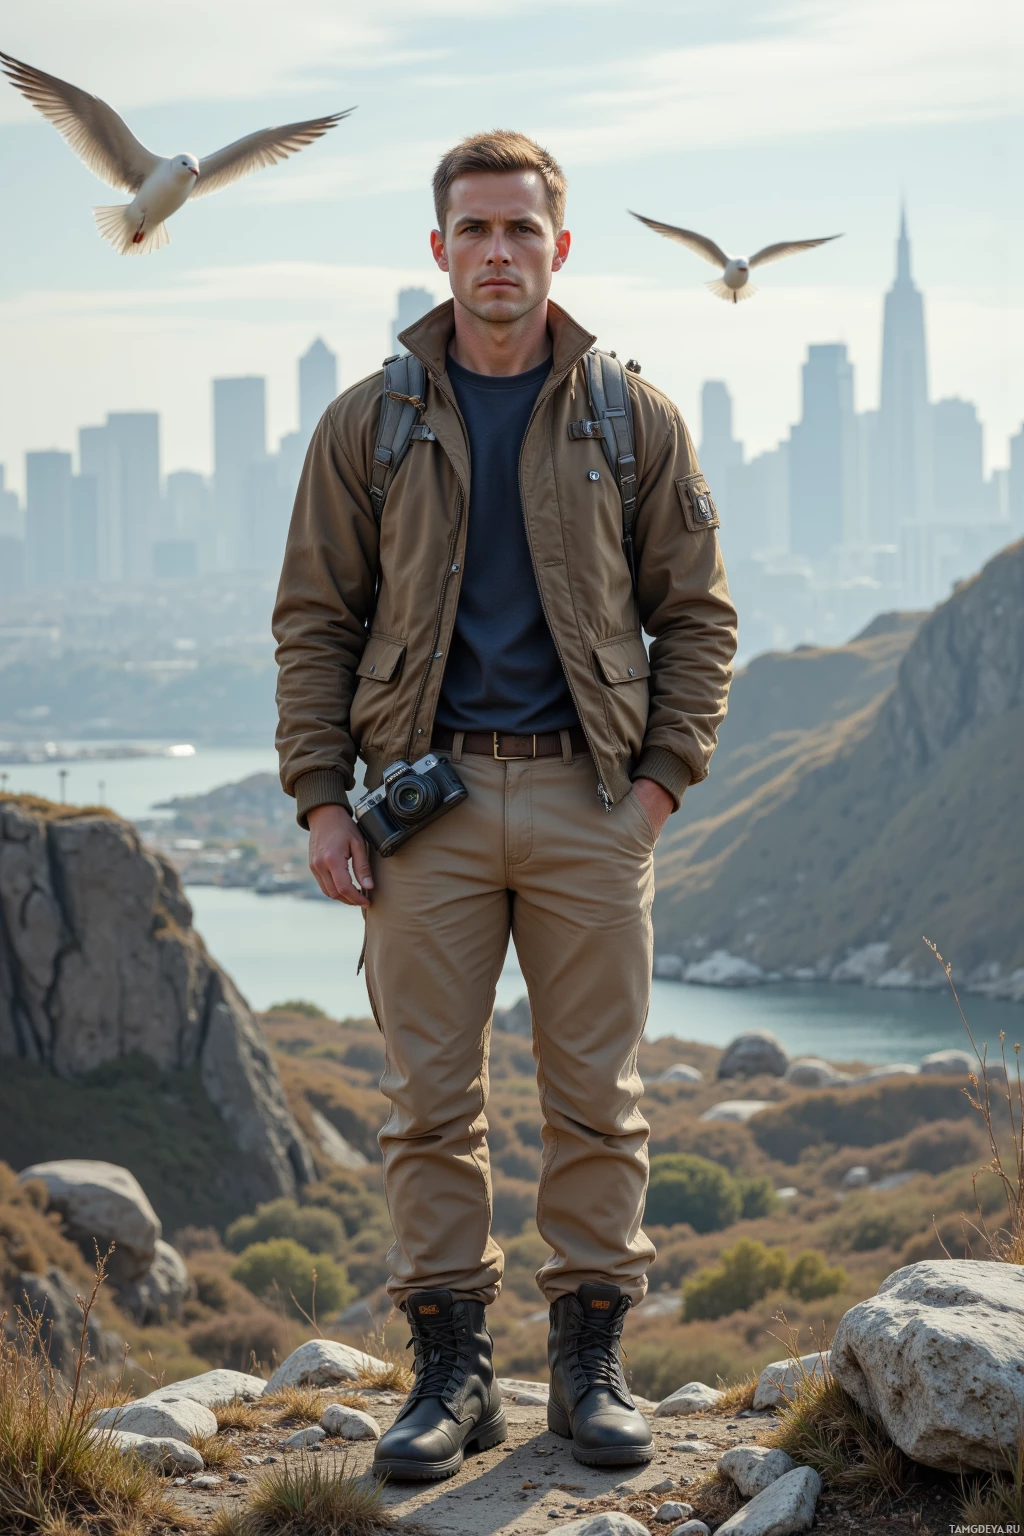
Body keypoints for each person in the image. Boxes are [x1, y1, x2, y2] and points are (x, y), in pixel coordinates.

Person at [273, 129, 737, 1481]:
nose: (497, 252)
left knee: (598, 1098)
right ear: (439, 249)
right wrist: (321, 803)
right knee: (429, 1104)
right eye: (473, 229)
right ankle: (453, 1375)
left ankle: (590, 1370)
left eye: (520, 229)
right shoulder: (369, 423)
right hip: (427, 807)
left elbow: (698, 620)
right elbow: (314, 621)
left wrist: (655, 791)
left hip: (594, 799)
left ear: (558, 248)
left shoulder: (631, 417)